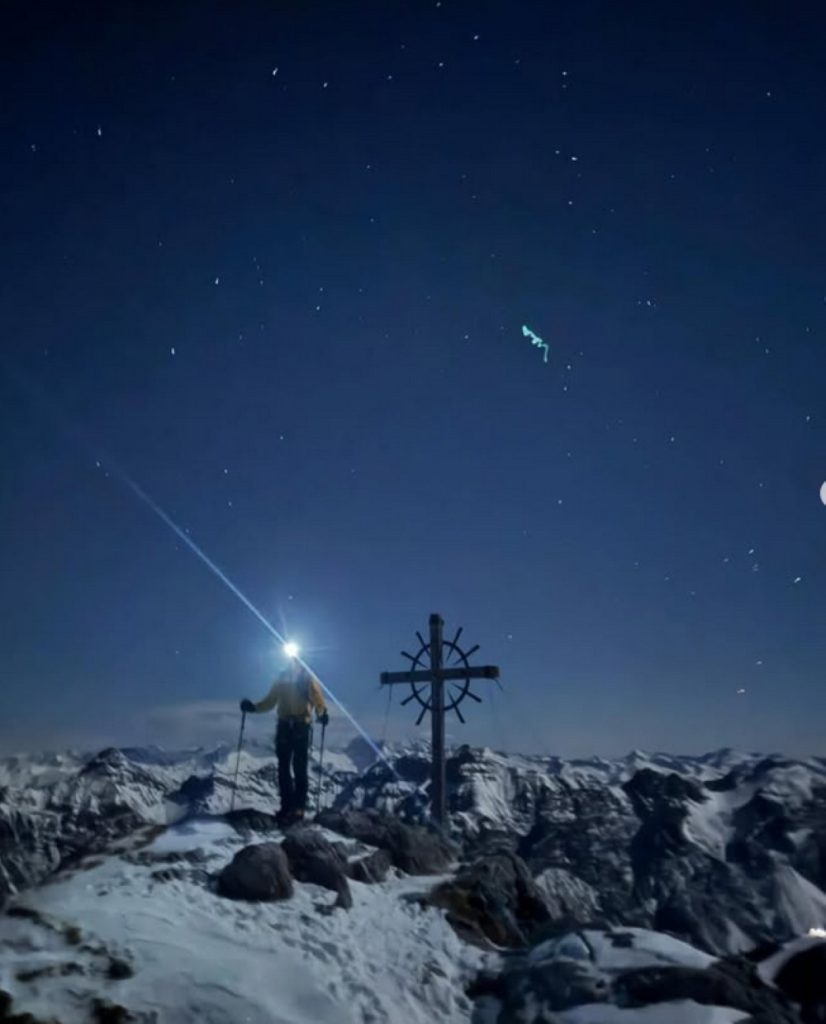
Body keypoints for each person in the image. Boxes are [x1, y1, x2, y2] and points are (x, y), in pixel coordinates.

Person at [241, 652, 329, 826]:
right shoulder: (283, 679)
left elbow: (318, 700)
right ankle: (288, 807)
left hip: (298, 726)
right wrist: (253, 707)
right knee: (285, 768)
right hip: (291, 726)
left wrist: (322, 713)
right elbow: (270, 702)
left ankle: (296, 808)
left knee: (297, 767)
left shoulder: (306, 679)